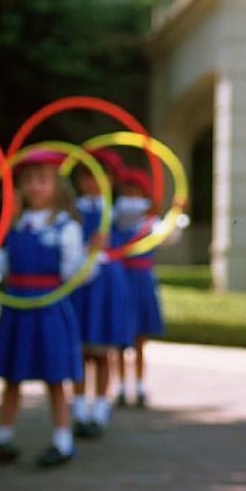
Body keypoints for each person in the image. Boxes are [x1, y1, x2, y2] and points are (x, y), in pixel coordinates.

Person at [0, 150, 89, 468]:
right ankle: (2, 437)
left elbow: (74, 274)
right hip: (18, 305)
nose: (35, 186)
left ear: (56, 185)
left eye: (42, 179)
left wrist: (91, 256)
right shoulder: (14, 224)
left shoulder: (66, 227)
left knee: (55, 377)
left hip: (49, 309)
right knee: (13, 376)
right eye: (28, 180)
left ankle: (62, 440)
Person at [68, 148, 135, 438]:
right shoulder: (72, 209)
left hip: (108, 281)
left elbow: (152, 219)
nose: (94, 182)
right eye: (87, 175)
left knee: (103, 348)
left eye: (101, 175)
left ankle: (101, 406)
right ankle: (80, 406)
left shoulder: (120, 210)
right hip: (80, 281)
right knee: (80, 348)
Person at [113, 166, 186, 408]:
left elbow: (169, 235)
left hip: (143, 281)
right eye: (127, 193)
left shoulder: (150, 224)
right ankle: (122, 387)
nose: (130, 198)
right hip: (121, 281)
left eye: (136, 193)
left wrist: (176, 213)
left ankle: (141, 386)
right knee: (121, 339)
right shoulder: (116, 221)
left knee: (140, 338)